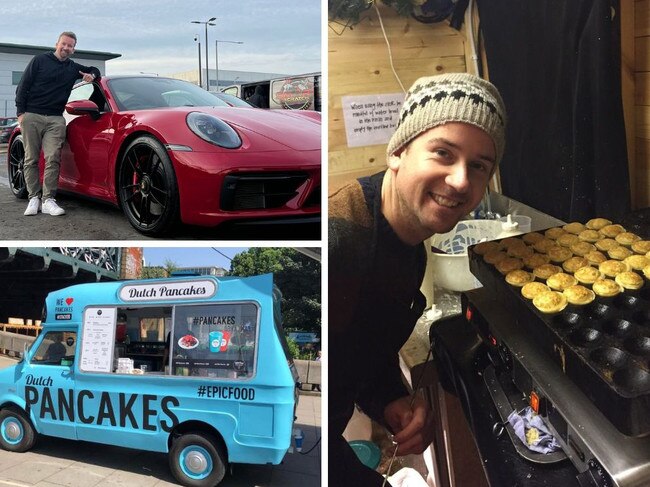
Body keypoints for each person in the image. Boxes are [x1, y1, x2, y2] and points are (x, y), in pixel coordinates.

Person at [329, 72, 507, 486]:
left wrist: (390, 398)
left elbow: (362, 350)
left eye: (479, 166)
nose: (462, 180)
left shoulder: (408, 239)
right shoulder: (341, 242)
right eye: (443, 153)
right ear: (398, 151)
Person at [15, 31, 101, 217]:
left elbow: (95, 69)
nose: (66, 48)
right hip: (32, 115)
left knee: (53, 157)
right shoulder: (39, 60)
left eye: (70, 46)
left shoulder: (73, 68)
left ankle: (48, 200)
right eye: (64, 44)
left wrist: (92, 75)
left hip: (56, 118)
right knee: (31, 158)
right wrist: (21, 113)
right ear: (57, 44)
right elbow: (23, 86)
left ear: (73, 49)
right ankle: (33, 198)